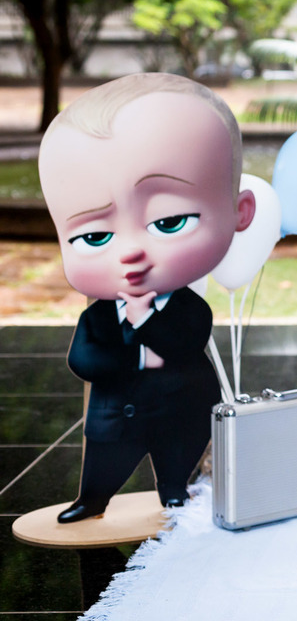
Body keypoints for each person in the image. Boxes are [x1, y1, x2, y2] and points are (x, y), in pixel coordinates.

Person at [37, 73, 256, 523]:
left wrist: (144, 327)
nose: (131, 252)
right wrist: (138, 361)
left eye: (169, 221)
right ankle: (91, 500)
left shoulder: (189, 308)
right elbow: (84, 361)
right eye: (95, 235)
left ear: (240, 212)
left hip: (181, 412)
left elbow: (184, 341)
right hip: (114, 418)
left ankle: (174, 491)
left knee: (177, 464)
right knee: (105, 464)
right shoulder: (97, 318)